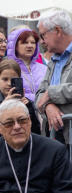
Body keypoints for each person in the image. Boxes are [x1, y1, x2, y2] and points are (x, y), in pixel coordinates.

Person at [0, 59, 41, 141]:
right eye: (5, 79)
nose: (9, 83)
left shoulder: (27, 103)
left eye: (13, 80)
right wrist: (3, 106)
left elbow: (36, 131)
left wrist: (29, 107)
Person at [35, 10, 72, 142]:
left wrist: (51, 93)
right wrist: (48, 106)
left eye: (43, 35)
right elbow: (39, 95)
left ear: (57, 30)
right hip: (56, 136)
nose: (42, 41)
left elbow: (46, 92)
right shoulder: (54, 60)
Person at [7, 27, 46, 102]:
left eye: (33, 42)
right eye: (25, 42)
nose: (30, 46)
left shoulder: (45, 68)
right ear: (15, 46)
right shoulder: (8, 69)